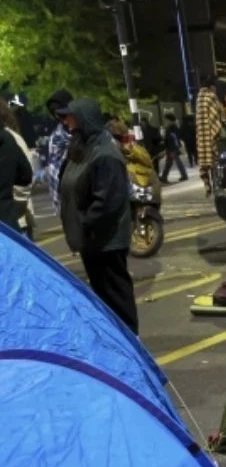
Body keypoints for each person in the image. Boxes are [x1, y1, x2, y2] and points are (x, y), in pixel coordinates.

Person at [57, 98, 138, 333]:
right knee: (104, 297)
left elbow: (107, 203)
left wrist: (83, 223)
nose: (67, 123)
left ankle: (130, 340)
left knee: (116, 295)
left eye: (70, 117)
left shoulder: (105, 154)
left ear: (85, 119)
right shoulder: (83, 148)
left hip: (106, 241)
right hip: (91, 240)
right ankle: (116, 338)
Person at [0, 103, 35, 237]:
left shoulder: (11, 138)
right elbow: (26, 175)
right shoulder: (9, 139)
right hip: (9, 222)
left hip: (15, 217)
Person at [196, 75, 226, 197]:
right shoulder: (211, 96)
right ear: (212, 87)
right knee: (219, 162)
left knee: (211, 163)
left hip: (205, 137)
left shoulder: (200, 98)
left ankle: (217, 188)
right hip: (217, 137)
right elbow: (219, 119)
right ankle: (221, 188)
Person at [45, 89, 74, 215]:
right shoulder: (57, 139)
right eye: (56, 115)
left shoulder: (91, 132)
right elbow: (54, 174)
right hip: (70, 206)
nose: (61, 119)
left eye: (63, 114)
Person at [159, 112, 188, 183]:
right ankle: (164, 176)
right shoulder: (174, 126)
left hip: (172, 148)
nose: (165, 121)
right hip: (173, 147)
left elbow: (172, 138)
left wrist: (168, 146)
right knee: (170, 162)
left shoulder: (171, 127)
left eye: (166, 119)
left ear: (169, 119)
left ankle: (183, 175)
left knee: (174, 162)